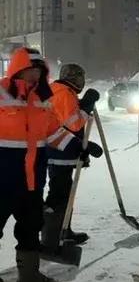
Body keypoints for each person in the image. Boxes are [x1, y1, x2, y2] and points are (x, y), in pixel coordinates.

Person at [0, 48, 83, 282]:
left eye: (39, 72)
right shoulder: (2, 94)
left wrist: (77, 146)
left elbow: (53, 132)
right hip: (2, 177)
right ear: (18, 70)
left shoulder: (41, 101)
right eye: (30, 71)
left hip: (32, 179)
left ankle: (29, 276)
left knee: (31, 226)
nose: (34, 76)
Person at [42, 63, 102, 250]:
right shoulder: (63, 94)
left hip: (64, 150)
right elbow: (73, 124)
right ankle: (52, 237)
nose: (81, 82)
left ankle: (63, 229)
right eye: (79, 77)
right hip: (59, 152)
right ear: (73, 78)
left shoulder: (62, 91)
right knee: (59, 195)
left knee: (66, 194)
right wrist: (86, 105)